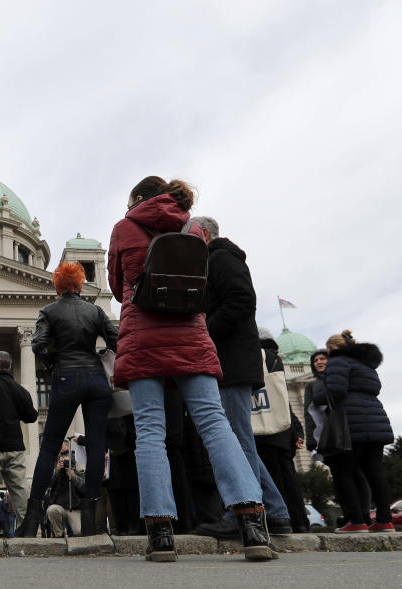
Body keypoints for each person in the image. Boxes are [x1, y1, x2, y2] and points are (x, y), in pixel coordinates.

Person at [108, 176, 274, 562]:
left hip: (144, 336)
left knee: (150, 431)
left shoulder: (124, 227)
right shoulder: (194, 226)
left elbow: (120, 287)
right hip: (190, 334)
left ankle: (161, 534)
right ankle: (251, 523)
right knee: (215, 424)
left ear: (135, 199)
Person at [188, 216, 292, 539]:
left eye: (191, 238)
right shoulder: (220, 258)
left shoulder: (220, 257)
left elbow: (242, 300)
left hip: (231, 361)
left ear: (204, 234)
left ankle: (243, 510)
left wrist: (206, 331)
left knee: (236, 441)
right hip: (231, 360)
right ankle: (274, 511)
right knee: (237, 440)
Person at [21, 261, 117, 537]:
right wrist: (100, 358)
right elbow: (116, 339)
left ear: (57, 286)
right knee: (97, 446)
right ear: (79, 284)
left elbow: (38, 344)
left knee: (50, 445)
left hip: (66, 377)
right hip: (96, 380)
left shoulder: (49, 311)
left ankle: (32, 514)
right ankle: (90, 514)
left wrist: (54, 363)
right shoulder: (95, 310)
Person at [314, 330, 394, 533]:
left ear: (332, 349)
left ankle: (357, 522)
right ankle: (384, 521)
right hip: (377, 420)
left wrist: (319, 398)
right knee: (375, 472)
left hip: (350, 422)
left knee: (344, 472)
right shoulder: (367, 365)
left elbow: (336, 390)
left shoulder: (338, 362)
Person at [252, 328, 309, 533]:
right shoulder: (277, 360)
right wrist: (297, 431)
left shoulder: (254, 357)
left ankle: (278, 519)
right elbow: (285, 402)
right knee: (289, 477)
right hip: (282, 427)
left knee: (269, 477)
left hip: (262, 426)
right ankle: (300, 522)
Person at [0, 351, 38, 536]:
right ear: (9, 367)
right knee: (19, 488)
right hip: (14, 446)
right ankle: (26, 527)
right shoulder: (20, 390)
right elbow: (31, 416)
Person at [45, 454, 85, 538]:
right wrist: (56, 471)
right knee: (51, 510)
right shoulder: (56, 474)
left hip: (74, 509)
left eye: (66, 460)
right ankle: (59, 535)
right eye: (62, 460)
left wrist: (74, 477)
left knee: (78, 532)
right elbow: (47, 485)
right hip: (59, 508)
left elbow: (84, 489)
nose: (64, 462)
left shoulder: (78, 473)